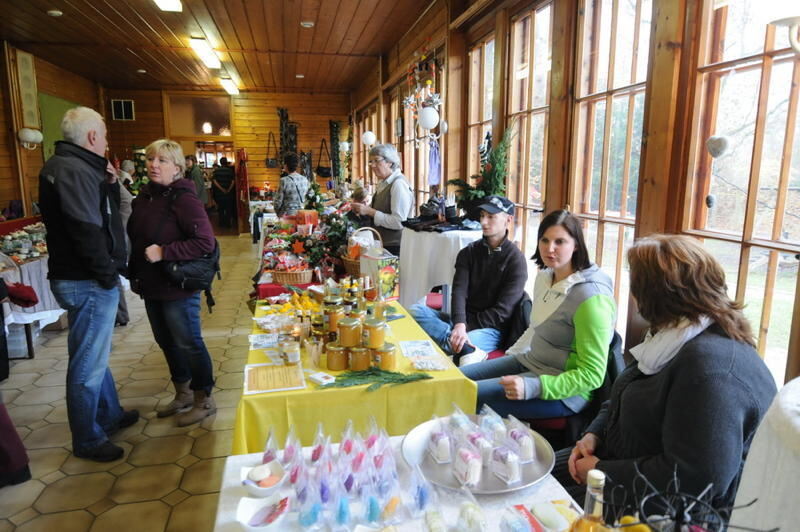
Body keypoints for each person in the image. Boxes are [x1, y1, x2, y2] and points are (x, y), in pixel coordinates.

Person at [557, 234, 777, 517]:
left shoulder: (712, 372)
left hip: (661, 510)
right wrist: (593, 434)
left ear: (657, 295)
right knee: (533, 472)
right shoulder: (675, 333)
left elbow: (695, 482)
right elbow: (620, 396)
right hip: (614, 461)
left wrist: (601, 472)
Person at [38, 106, 138, 462]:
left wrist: (110, 183)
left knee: (94, 352)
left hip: (82, 275)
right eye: (106, 135)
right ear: (93, 137)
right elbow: (86, 229)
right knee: (87, 362)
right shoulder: (74, 170)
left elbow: (104, 213)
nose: (106, 141)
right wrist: (107, 274)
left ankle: (108, 415)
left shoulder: (70, 165)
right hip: (85, 278)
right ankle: (88, 438)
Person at [460, 209, 616, 419]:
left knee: (461, 396)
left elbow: (592, 375)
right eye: (545, 240)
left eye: (560, 242)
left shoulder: (591, 298)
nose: (550, 249)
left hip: (563, 391)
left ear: (576, 244)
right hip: (531, 362)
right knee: (453, 381)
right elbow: (536, 328)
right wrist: (508, 358)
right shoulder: (544, 277)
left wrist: (533, 386)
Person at [127, 139, 217, 426]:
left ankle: (204, 399)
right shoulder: (145, 197)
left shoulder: (184, 199)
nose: (154, 164)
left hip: (177, 285)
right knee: (166, 341)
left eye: (162, 160)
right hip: (152, 284)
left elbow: (205, 242)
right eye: (151, 159)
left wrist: (165, 252)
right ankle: (183, 393)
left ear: (177, 167)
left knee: (189, 342)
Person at [410, 195, 528, 364]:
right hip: (460, 320)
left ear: (508, 220)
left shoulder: (516, 260)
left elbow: (503, 312)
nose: (484, 222)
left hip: (490, 329)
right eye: (482, 216)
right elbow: (459, 292)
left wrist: (464, 327)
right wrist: (459, 325)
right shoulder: (468, 253)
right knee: (414, 311)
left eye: (491, 217)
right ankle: (463, 347)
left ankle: (457, 344)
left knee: (456, 342)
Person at [350, 144, 414, 255]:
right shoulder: (384, 183)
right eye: (371, 161)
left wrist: (369, 211)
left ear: (390, 162)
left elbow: (399, 222)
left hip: (395, 247)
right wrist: (364, 210)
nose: (373, 165)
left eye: (376, 160)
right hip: (383, 244)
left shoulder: (398, 184)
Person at [274, 152, 309, 217]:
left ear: (286, 165)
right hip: (302, 214)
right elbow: (310, 196)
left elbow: (278, 202)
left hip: (288, 216)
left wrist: (278, 214)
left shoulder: (284, 181)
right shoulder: (305, 179)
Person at [212, 156, 236, 228]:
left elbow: (214, 181)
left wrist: (221, 189)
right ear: (226, 162)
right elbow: (233, 181)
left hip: (219, 194)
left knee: (221, 209)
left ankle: (221, 224)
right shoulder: (230, 171)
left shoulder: (216, 171)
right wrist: (228, 189)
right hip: (229, 194)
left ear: (220, 162)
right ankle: (228, 224)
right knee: (228, 209)